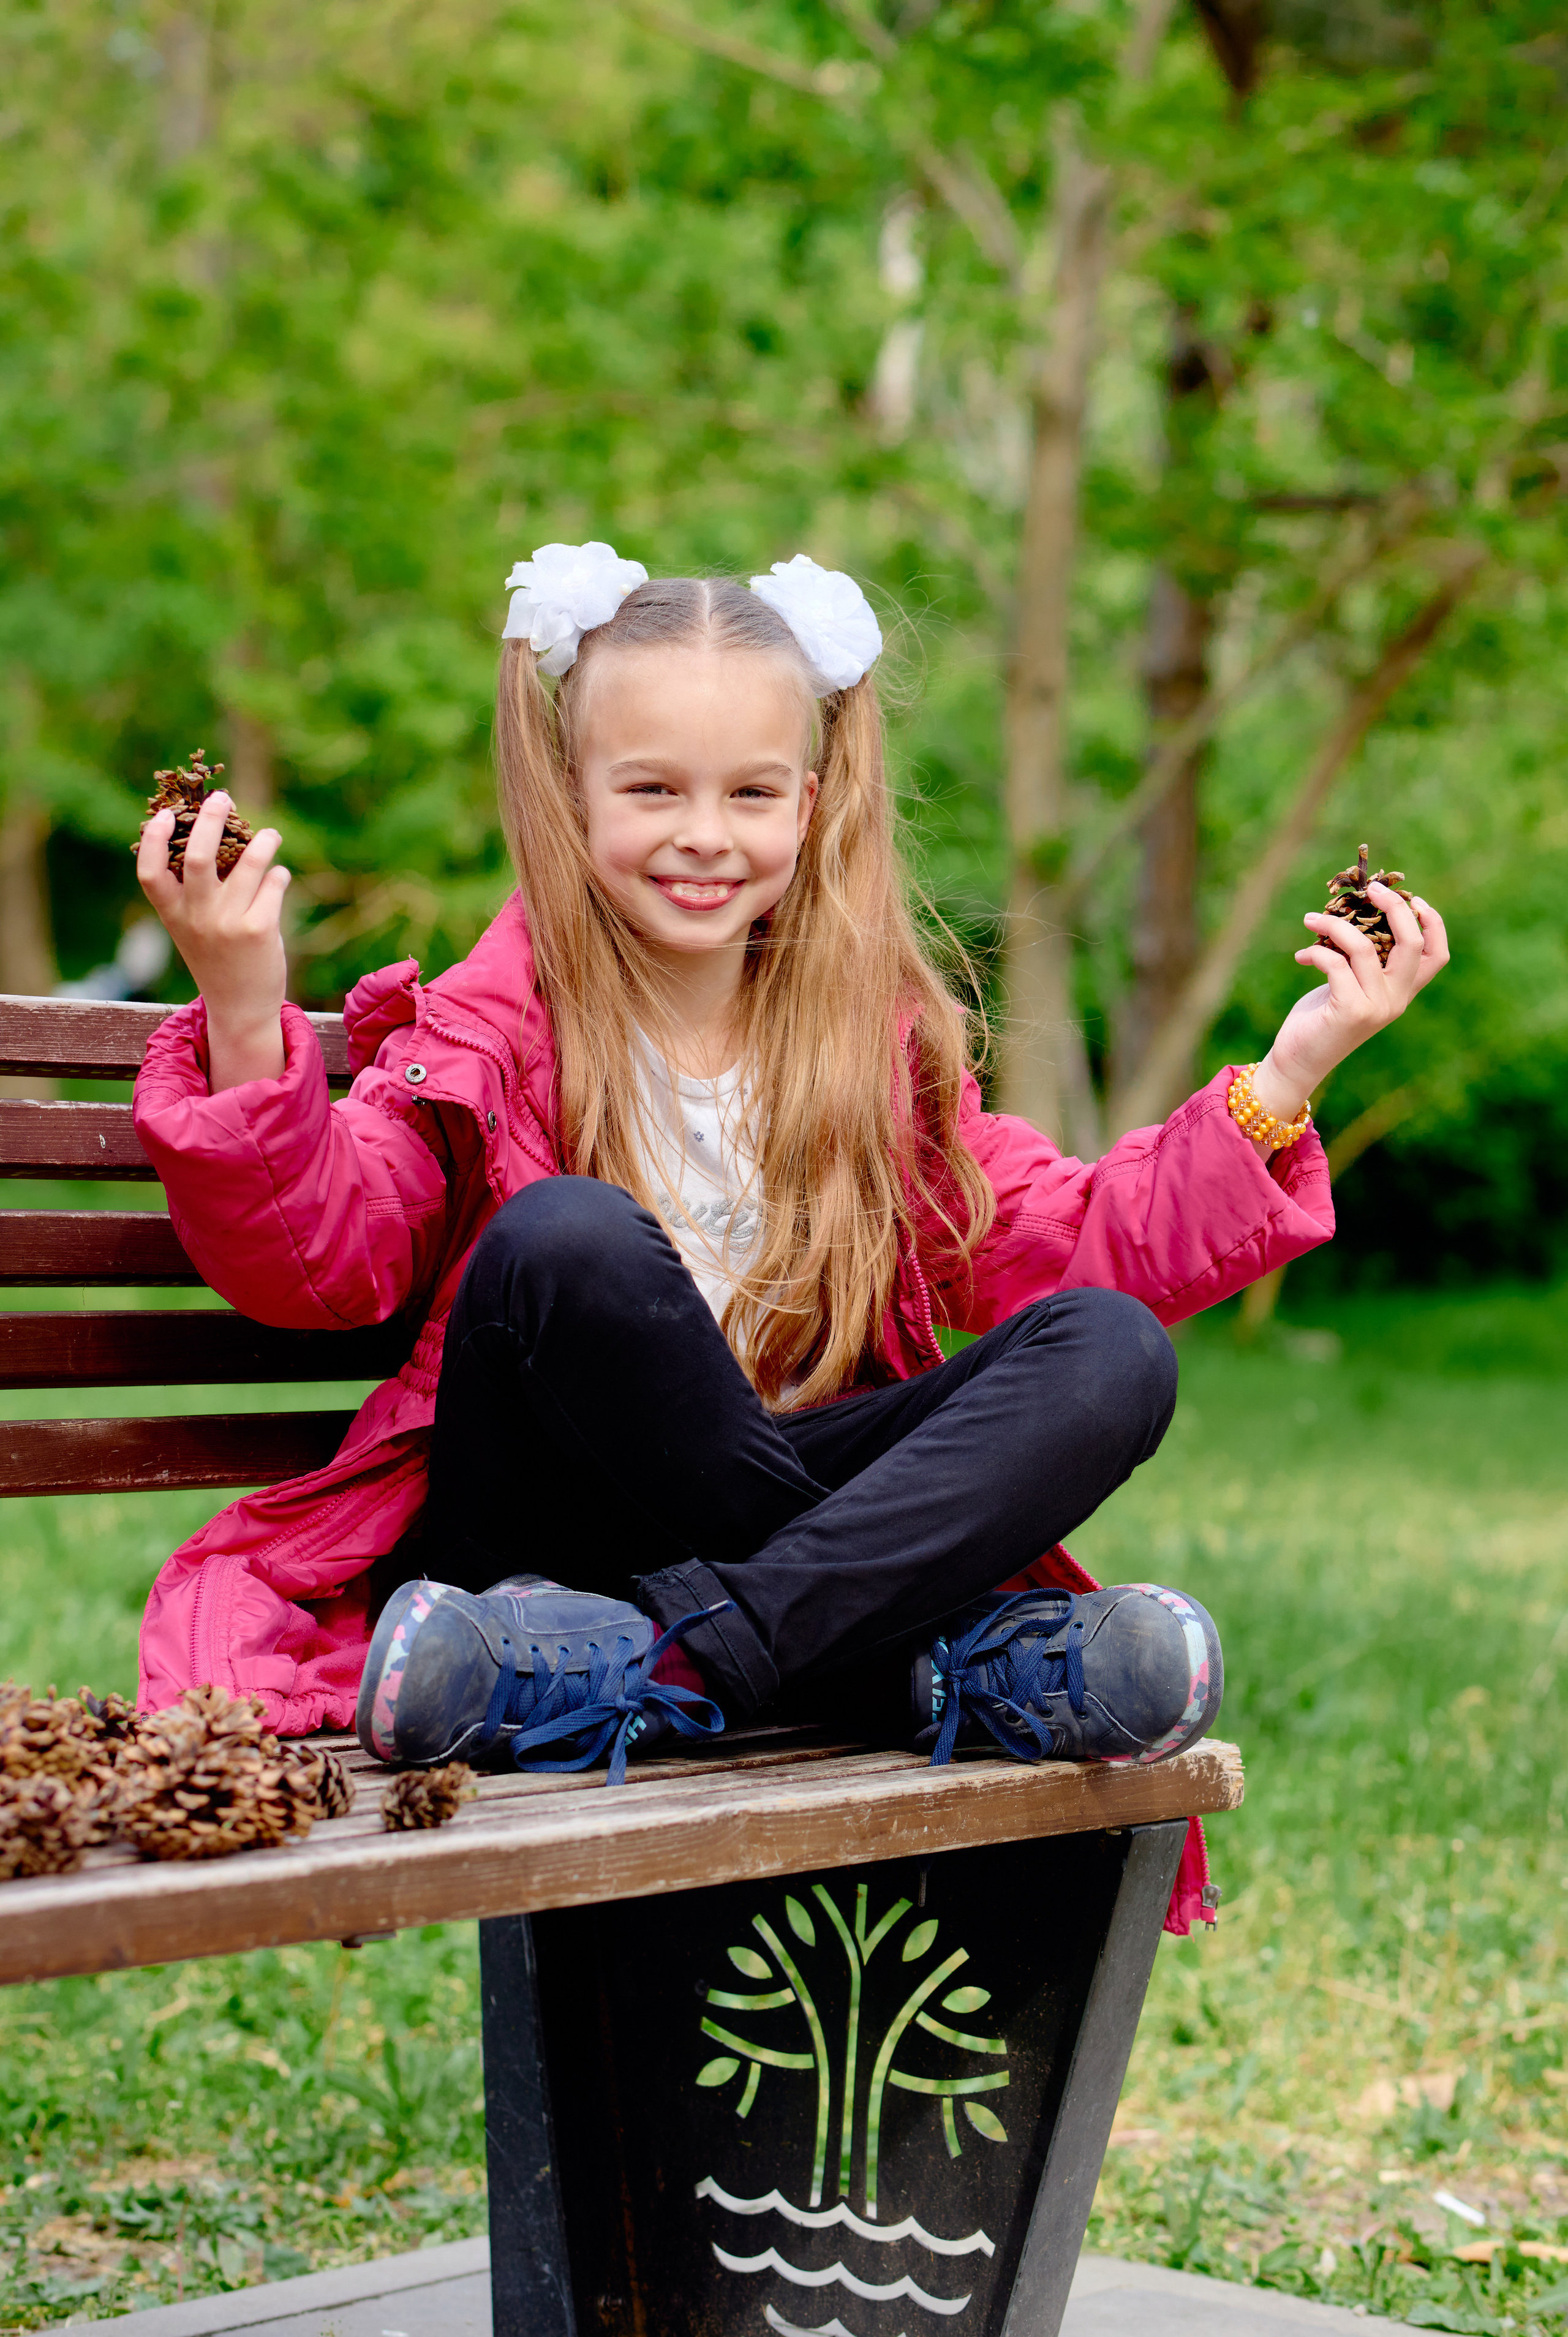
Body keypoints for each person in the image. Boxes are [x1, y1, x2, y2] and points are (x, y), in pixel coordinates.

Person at [132, 547, 1446, 1798]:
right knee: (564, 1241)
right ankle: (917, 1662)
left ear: (806, 805)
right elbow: (321, 1262)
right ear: (570, 790)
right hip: (537, 1550)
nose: (704, 836)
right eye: (652, 789)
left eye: (750, 793)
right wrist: (247, 1010)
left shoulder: (860, 1058)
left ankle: (659, 1667)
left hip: (753, 1546)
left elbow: (1075, 1236)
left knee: (1109, 1354)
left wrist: (1288, 1074)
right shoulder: (479, 1039)